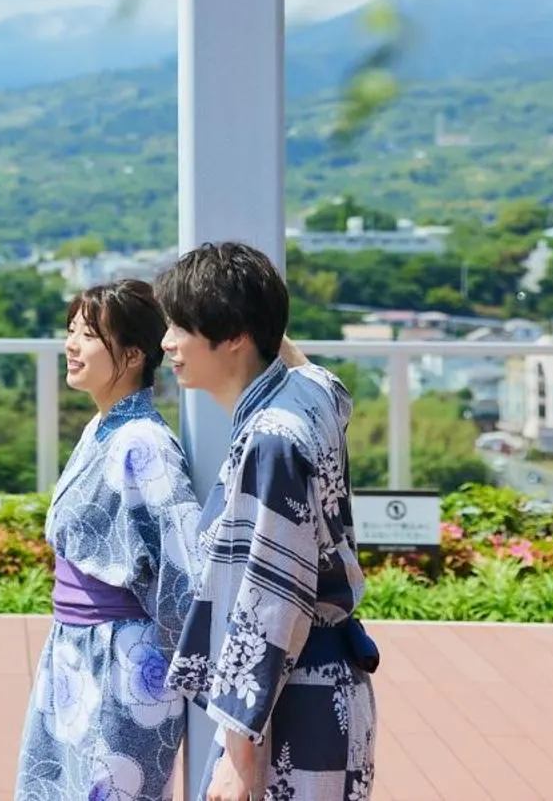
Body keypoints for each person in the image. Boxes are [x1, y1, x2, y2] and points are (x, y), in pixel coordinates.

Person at [159, 242, 378, 801]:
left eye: (182, 326)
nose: (168, 343)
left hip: (293, 708)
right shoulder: (307, 393)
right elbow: (323, 379)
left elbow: (269, 605)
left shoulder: (270, 441)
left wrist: (237, 759)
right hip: (325, 689)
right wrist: (254, 304)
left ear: (233, 335)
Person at [16, 279, 204, 801]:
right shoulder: (103, 429)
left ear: (134, 354)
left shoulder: (142, 442)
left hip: (122, 663)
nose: (72, 345)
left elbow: (182, 567)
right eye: (71, 331)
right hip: (78, 650)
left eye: (89, 335)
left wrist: (199, 671)